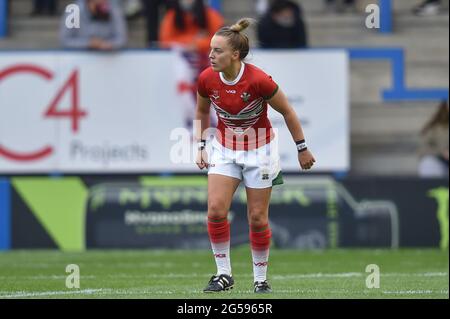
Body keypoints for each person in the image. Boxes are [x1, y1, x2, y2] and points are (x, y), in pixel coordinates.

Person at [195, 18, 316, 293]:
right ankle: (223, 274)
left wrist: (302, 148)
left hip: (260, 151)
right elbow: (202, 112)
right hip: (225, 149)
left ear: (235, 55)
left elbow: (288, 112)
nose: (211, 55)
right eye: (211, 50)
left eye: (217, 51)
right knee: (215, 209)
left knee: (258, 217)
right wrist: (201, 144)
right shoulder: (206, 79)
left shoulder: (258, 80)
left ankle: (260, 279)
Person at [159, 0, 224, 131]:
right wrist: (191, 42)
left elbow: (221, 37)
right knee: (186, 95)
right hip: (185, 65)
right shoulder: (172, 16)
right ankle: (193, 126)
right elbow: (165, 40)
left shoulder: (209, 15)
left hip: (207, 64)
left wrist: (198, 45)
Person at [60, 0, 127, 51]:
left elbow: (121, 38)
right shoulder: (74, 12)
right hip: (80, 58)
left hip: (107, 59)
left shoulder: (113, 10)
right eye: (98, 4)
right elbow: (65, 40)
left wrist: (108, 44)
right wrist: (88, 43)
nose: (103, 7)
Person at [418, 100, 449, 178]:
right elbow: (423, 148)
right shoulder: (436, 128)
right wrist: (442, 152)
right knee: (428, 162)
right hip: (441, 162)